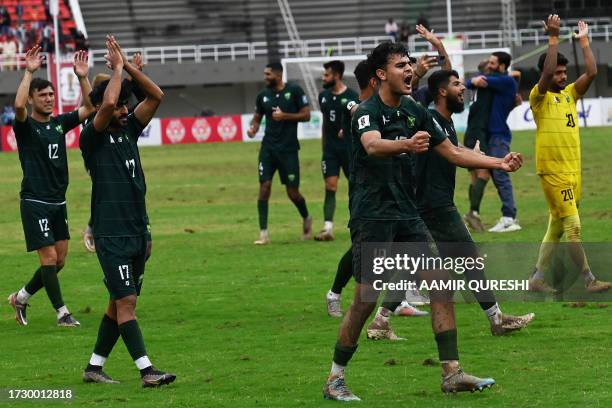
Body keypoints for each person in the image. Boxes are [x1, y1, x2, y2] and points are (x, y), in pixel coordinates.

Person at [323, 42, 522, 401]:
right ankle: (335, 379)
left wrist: (498, 163)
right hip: (373, 218)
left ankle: (452, 373)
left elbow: (453, 152)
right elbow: (371, 145)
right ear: (382, 74)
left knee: (440, 282)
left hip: (407, 215)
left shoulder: (415, 110)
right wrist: (405, 144)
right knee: (365, 301)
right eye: (401, 65)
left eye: (410, 64)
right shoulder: (366, 112)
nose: (409, 70)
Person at [79, 35, 175, 387]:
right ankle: (147, 371)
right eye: (119, 106)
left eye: (125, 106)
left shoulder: (130, 131)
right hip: (112, 234)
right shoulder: (92, 136)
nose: (123, 110)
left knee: (115, 303)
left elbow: (157, 96)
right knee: (127, 303)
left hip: (137, 231)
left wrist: (129, 68)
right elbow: (105, 106)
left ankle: (94, 367)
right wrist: (117, 70)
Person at [325, 60, 426, 319]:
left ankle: (397, 299)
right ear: (376, 80)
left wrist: (420, 72)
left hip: (395, 191)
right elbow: (370, 138)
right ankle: (337, 294)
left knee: (405, 251)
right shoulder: (360, 110)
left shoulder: (389, 108)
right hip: (370, 193)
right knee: (368, 254)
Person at [7, 47, 94, 327]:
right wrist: (29, 71)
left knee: (59, 262)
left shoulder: (58, 124)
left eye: (51, 95)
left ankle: (20, 297)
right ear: (33, 98)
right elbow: (18, 107)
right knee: (49, 258)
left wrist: (82, 77)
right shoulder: (25, 127)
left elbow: (91, 108)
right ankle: (62, 313)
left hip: (58, 201)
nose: (48, 99)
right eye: (42, 95)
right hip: (35, 201)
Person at [528, 16, 612, 294]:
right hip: (553, 173)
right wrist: (553, 39)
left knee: (557, 227)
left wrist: (584, 40)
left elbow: (591, 72)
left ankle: (537, 278)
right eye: (558, 72)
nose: (563, 76)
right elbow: (547, 70)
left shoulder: (569, 95)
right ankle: (590, 280)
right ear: (546, 74)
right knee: (574, 227)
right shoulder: (538, 98)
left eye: (565, 72)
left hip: (574, 173)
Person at [247, 62, 312, 245]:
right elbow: (257, 117)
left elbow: (307, 115)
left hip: (289, 150)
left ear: (278, 74)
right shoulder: (263, 95)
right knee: (264, 187)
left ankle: (306, 217)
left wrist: (285, 116)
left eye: (268, 74)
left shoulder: (295, 91)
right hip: (268, 149)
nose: (265, 77)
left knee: (293, 193)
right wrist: (253, 128)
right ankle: (263, 234)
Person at [467, 51, 521, 232]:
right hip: (492, 136)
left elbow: (481, 80)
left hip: (498, 136)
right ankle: (505, 216)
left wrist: (472, 81)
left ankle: (509, 218)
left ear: (502, 65)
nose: (490, 65)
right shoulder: (504, 81)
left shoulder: (505, 81)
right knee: (495, 177)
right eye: (488, 62)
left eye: (492, 62)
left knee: (500, 176)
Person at [315, 60, 359, 241]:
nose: (323, 78)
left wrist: (347, 129)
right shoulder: (323, 96)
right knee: (330, 186)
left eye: (327, 75)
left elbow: (359, 122)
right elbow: (325, 123)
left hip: (348, 150)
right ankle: (328, 228)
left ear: (337, 76)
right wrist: (324, 147)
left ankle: (358, 223)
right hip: (330, 150)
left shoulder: (352, 96)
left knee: (355, 187)